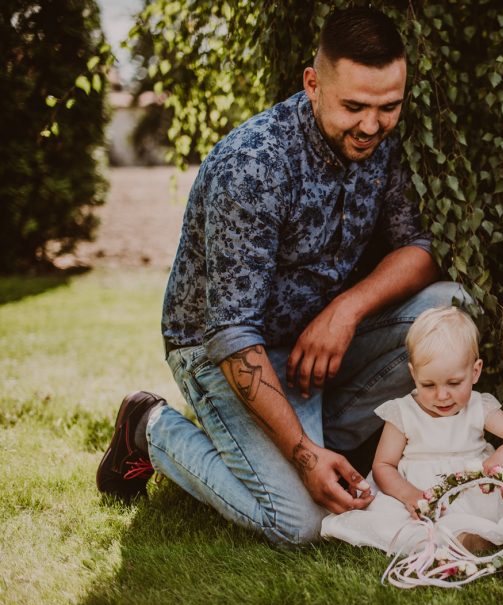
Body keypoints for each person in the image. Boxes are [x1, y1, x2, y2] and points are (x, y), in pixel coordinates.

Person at [95, 7, 467, 545]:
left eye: (389, 107)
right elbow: (231, 334)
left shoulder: (383, 144)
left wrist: (345, 311)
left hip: (318, 340)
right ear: (313, 84)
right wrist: (303, 455)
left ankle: (303, 440)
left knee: (450, 307)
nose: (371, 126)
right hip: (222, 350)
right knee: (300, 522)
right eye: (354, 107)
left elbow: (420, 249)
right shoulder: (254, 165)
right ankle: (148, 426)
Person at [321, 306, 503, 553]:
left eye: (454, 383)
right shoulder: (403, 412)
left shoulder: (478, 406)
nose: (442, 395)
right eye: (428, 385)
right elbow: (383, 466)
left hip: (479, 489)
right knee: (406, 521)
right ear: (413, 374)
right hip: (428, 492)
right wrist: (411, 495)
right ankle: (465, 539)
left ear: (475, 372)